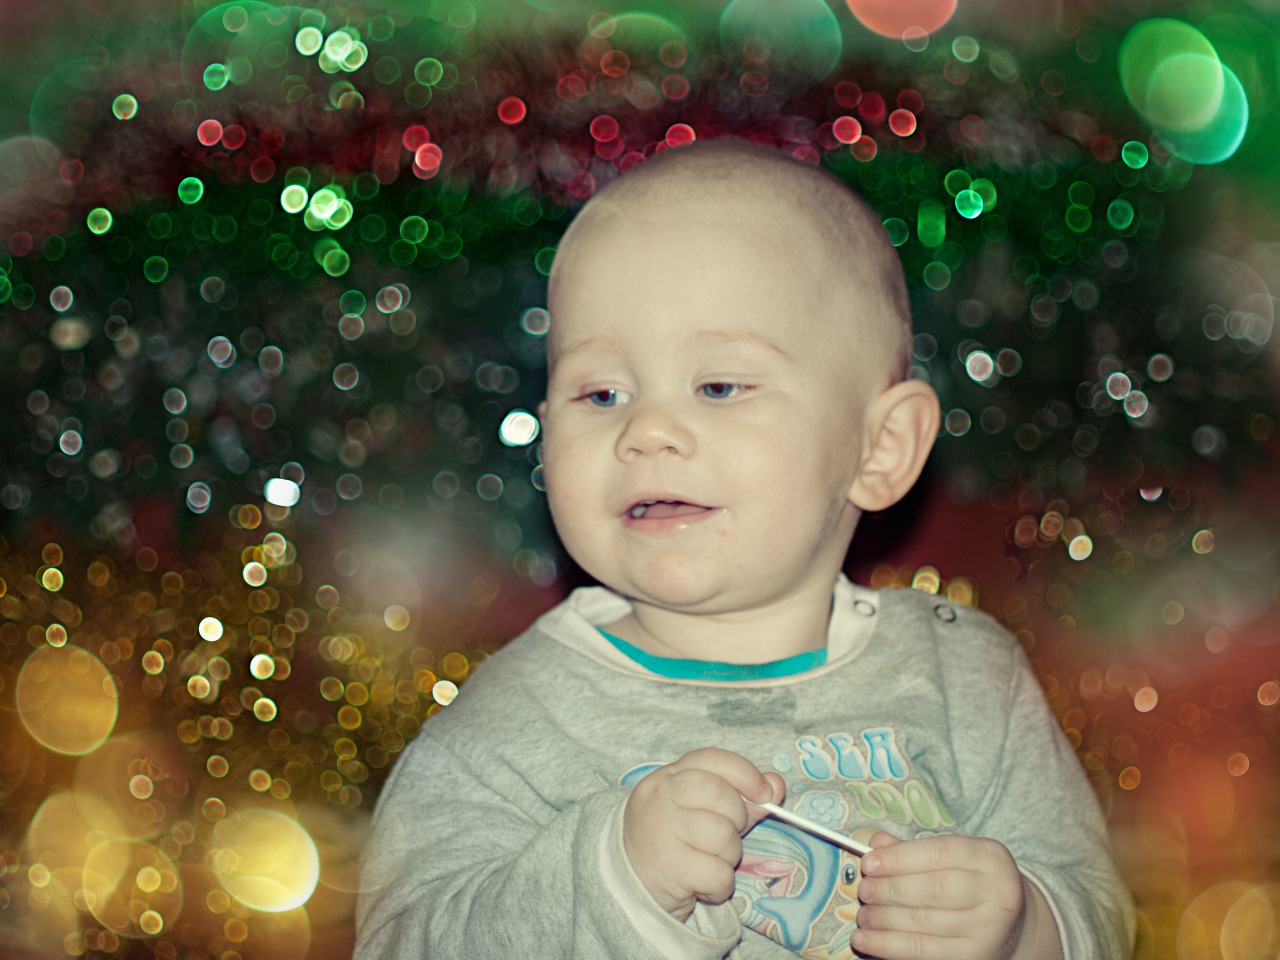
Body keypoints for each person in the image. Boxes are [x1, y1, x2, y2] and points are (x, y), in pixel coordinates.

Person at [354, 138, 1134, 960]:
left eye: (719, 386)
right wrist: (611, 874)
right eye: (602, 393)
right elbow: (403, 942)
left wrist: (1024, 928)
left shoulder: (967, 679)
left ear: (880, 448)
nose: (647, 430)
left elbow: (1096, 908)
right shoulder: (514, 721)